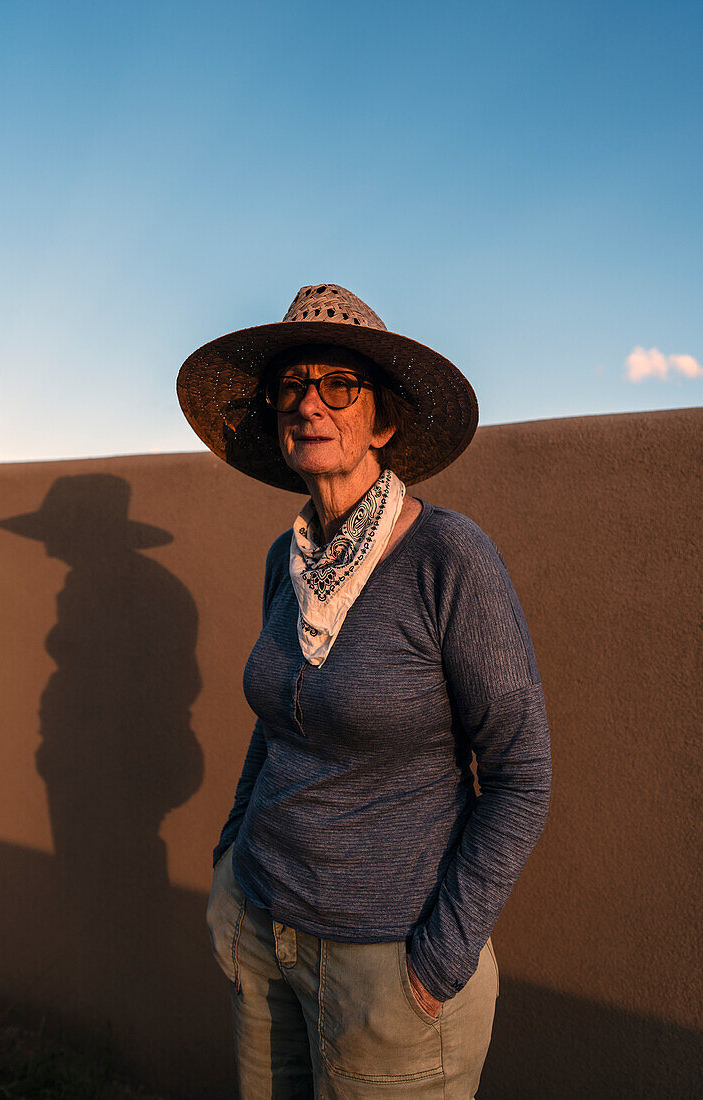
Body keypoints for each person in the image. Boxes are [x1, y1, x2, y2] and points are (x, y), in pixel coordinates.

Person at [177, 283, 552, 1098]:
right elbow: (276, 722)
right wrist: (228, 861)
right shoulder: (288, 561)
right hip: (260, 925)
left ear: (381, 422)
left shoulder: (448, 558)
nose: (308, 405)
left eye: (337, 386)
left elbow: (521, 776)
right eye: (291, 388)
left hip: (385, 966)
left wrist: (436, 963)